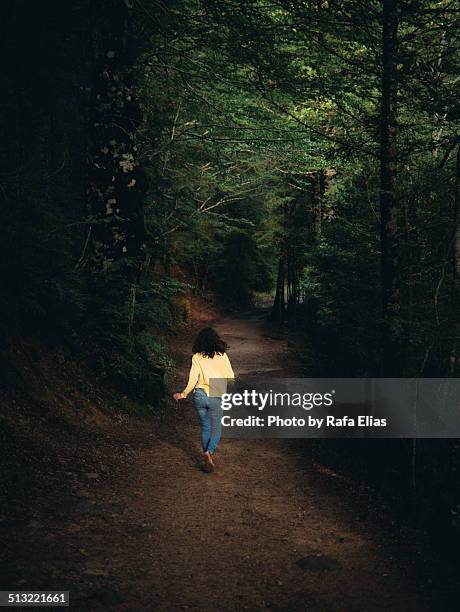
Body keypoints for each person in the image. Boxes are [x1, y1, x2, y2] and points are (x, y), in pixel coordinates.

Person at [173, 327, 235, 472]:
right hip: (216, 392)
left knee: (206, 426)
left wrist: (183, 394)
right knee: (216, 427)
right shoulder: (222, 355)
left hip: (200, 394)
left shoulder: (197, 357)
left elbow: (193, 379)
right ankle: (209, 452)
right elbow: (231, 376)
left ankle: (207, 456)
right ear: (216, 340)